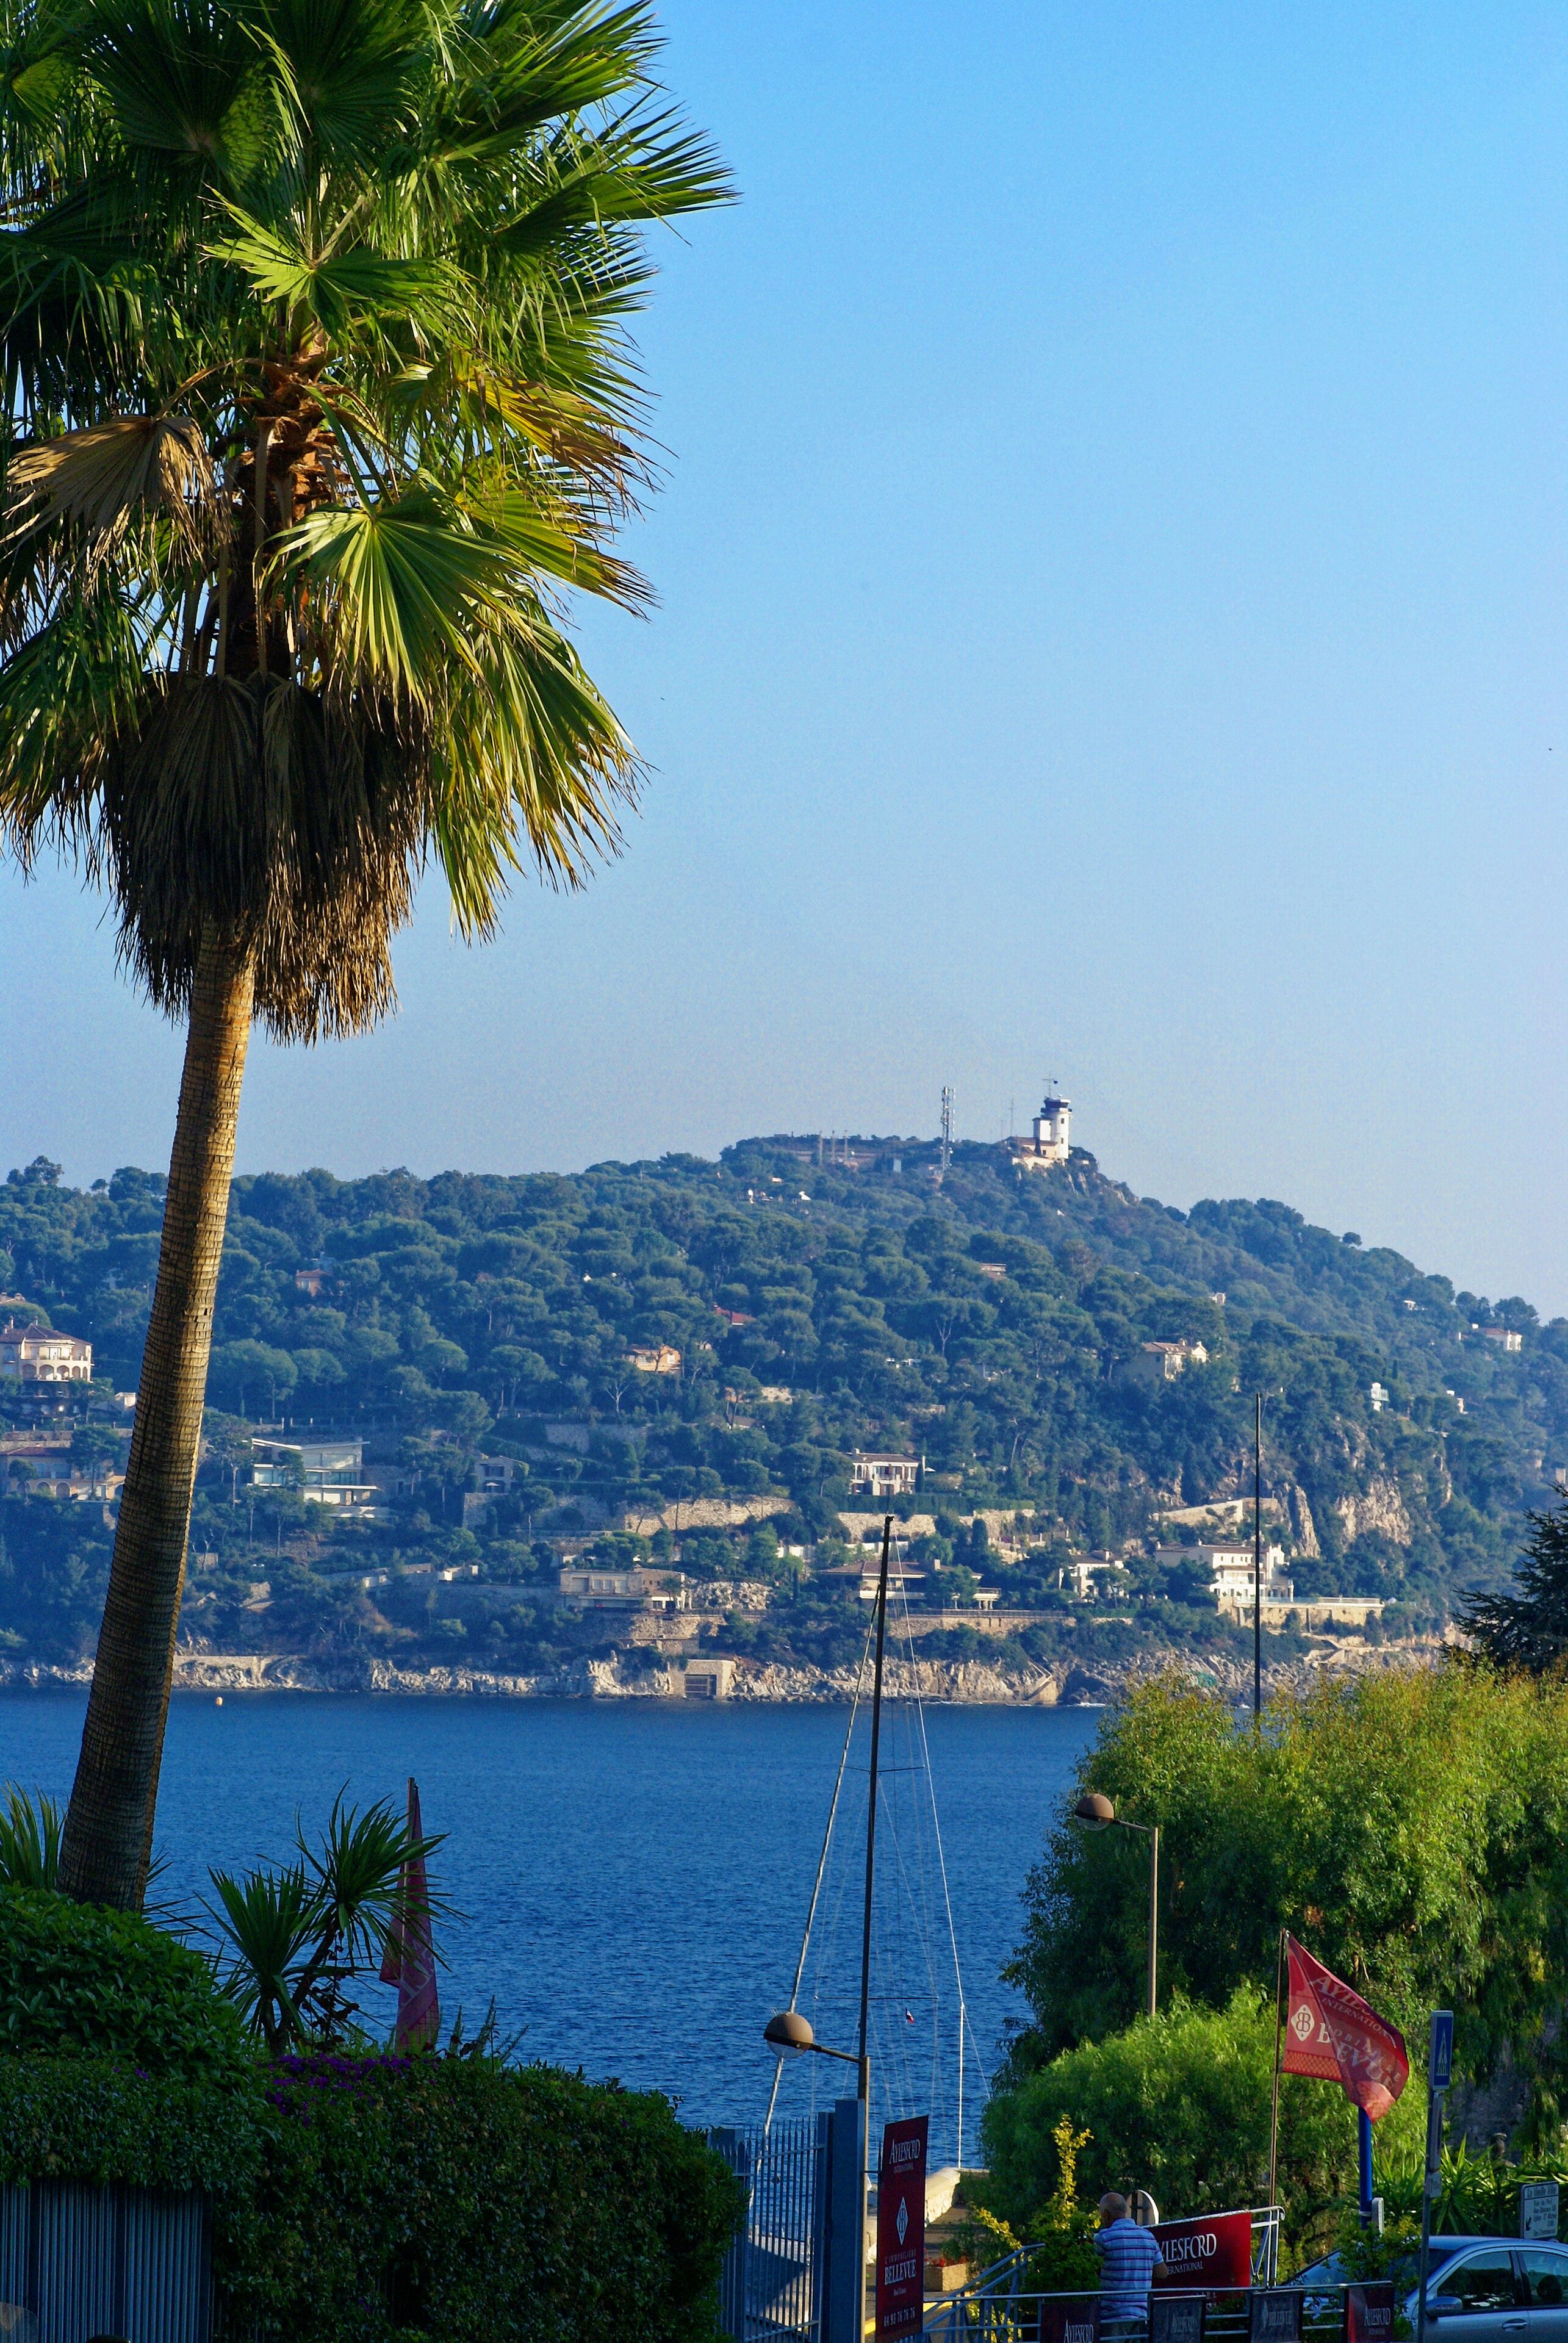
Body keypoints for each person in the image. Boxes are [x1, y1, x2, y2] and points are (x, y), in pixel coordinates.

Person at [1095, 2190, 1164, 2331]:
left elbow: (1091, 2268)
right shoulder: (1148, 2237)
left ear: (1106, 2214)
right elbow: (1162, 2272)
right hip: (1141, 2317)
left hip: (1112, 2318)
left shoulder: (1104, 2238)